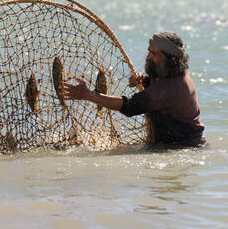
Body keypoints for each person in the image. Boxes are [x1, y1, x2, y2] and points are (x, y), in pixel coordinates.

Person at [61, 31, 205, 148]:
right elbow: (157, 89)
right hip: (172, 143)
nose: (148, 57)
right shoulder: (172, 72)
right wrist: (145, 80)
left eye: (154, 54)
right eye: (149, 52)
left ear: (170, 59)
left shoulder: (171, 87)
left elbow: (130, 106)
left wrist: (88, 95)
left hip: (185, 147)